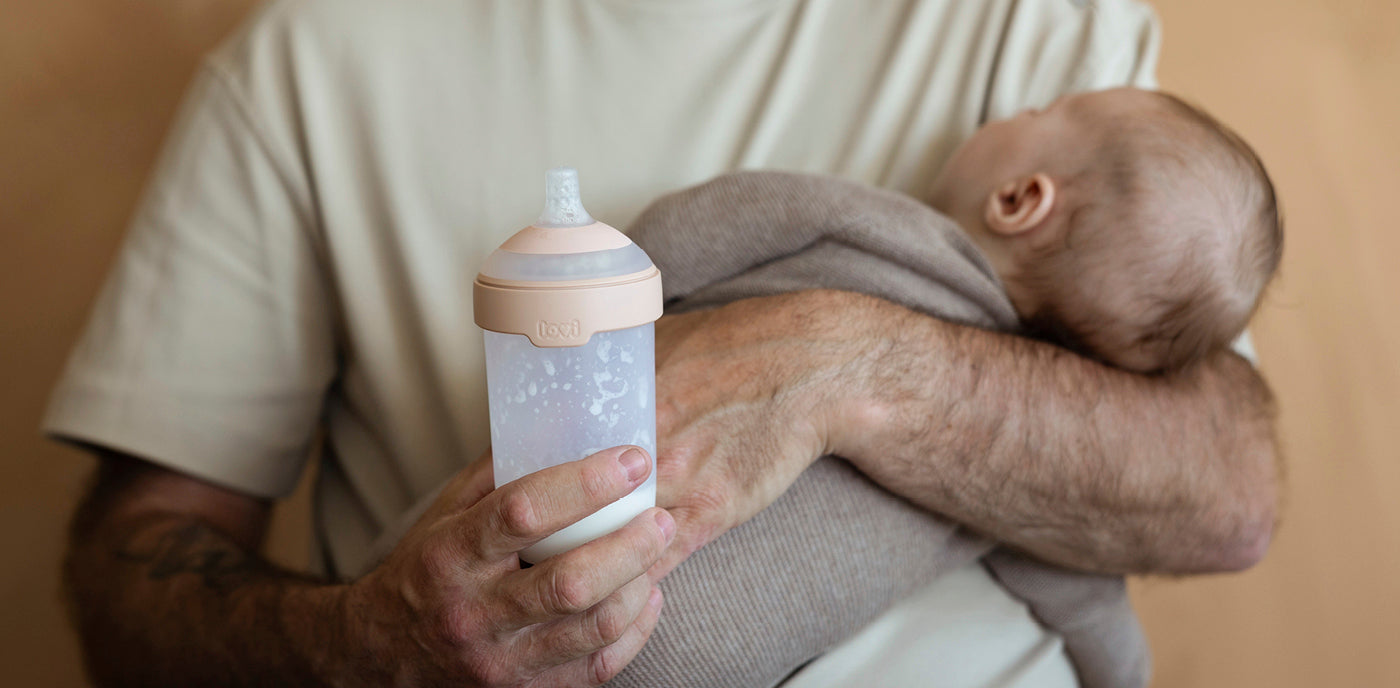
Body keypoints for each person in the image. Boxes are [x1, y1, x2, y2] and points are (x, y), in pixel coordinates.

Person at [45, 1, 1279, 686]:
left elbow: (1221, 495)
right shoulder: (308, 68)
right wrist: (369, 645)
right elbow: (129, 582)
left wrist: (843, 364)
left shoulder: (1028, 25)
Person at [602, 85, 1281, 688]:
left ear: (1019, 199)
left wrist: (618, 302)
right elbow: (1092, 608)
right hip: (691, 659)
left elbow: (715, 219)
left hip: (608, 515)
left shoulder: (876, 227)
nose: (1021, 106)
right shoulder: (1007, 477)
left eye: (1041, 112)